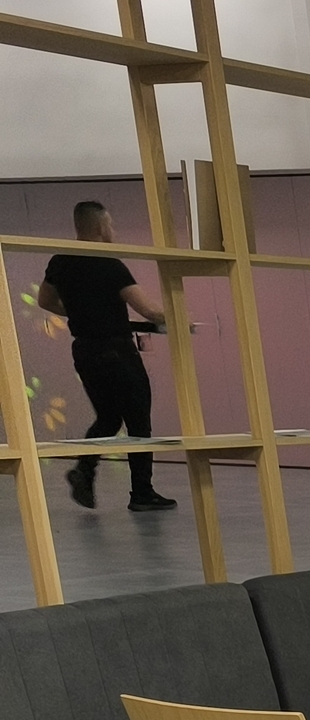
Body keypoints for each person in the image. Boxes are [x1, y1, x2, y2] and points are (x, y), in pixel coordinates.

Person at [37, 201, 174, 513]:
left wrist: (82, 314)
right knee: (138, 421)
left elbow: (45, 300)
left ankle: (84, 471)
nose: (114, 230)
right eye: (111, 224)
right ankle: (142, 492)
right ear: (100, 227)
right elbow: (148, 310)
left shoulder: (60, 261)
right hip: (117, 351)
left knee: (109, 417)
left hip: (85, 351)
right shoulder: (110, 265)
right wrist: (180, 319)